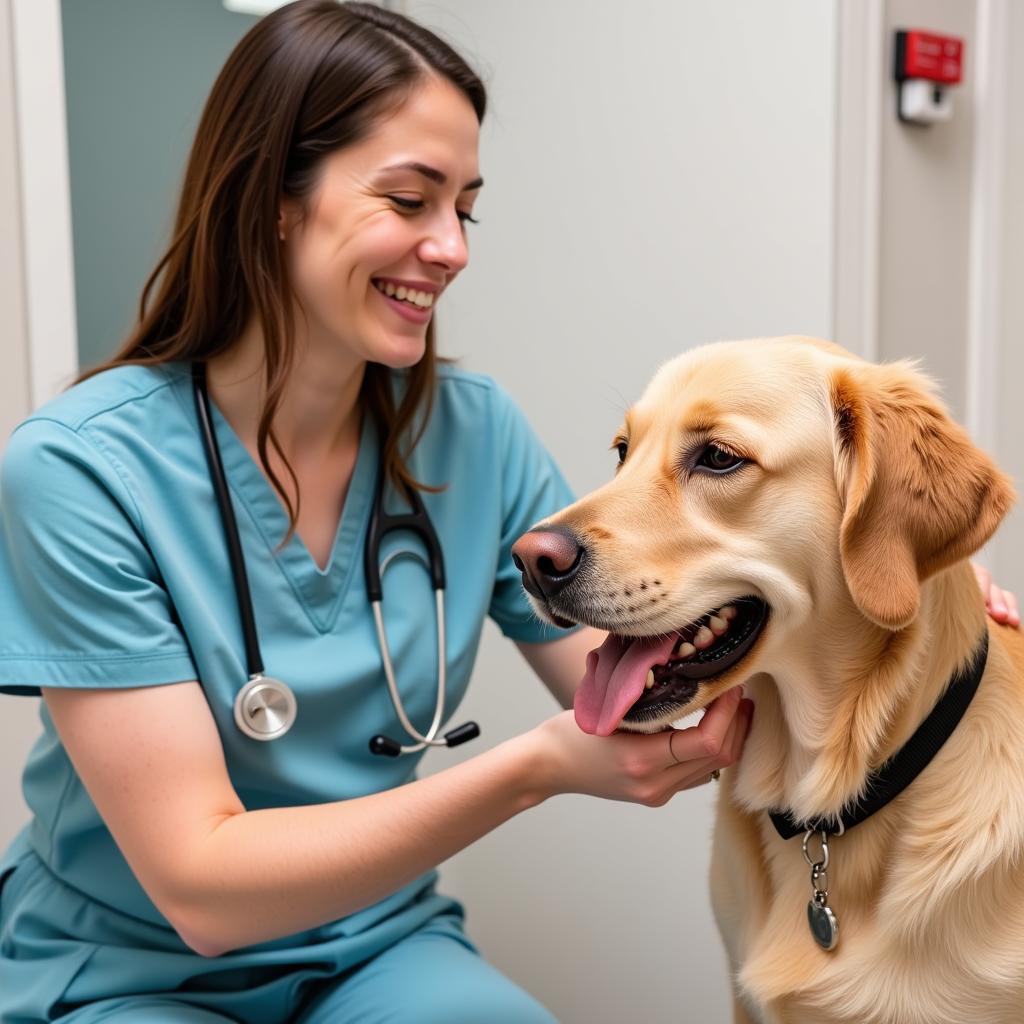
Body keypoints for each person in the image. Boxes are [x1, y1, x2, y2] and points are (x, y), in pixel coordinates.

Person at [0, 3, 1017, 1022]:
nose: (449, 248)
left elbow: (652, 675)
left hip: (369, 946)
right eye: (409, 199)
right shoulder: (79, 471)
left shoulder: (466, 431)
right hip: (133, 963)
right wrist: (532, 769)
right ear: (272, 198)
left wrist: (882, 569)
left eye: (465, 209)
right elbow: (201, 889)